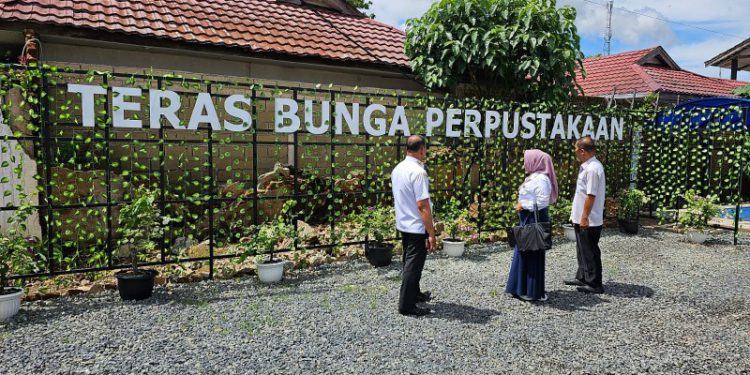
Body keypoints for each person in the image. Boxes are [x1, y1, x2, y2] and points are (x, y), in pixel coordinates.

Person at [391, 135, 437, 317]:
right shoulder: (418, 172)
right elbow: (422, 205)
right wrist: (431, 232)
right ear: (422, 150)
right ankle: (406, 305)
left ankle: (415, 294)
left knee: (410, 262)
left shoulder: (398, 169)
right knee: (413, 264)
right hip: (416, 225)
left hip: (404, 222)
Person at [505, 149, 558, 302]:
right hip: (528, 218)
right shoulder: (534, 177)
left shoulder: (541, 179)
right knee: (524, 250)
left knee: (532, 250)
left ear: (535, 161)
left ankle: (531, 291)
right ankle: (520, 288)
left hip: (533, 218)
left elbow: (542, 201)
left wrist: (523, 205)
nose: (524, 163)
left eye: (526, 159)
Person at [564, 136, 606, 294]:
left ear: (582, 151)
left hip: (589, 219)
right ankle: (582, 276)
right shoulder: (587, 166)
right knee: (582, 249)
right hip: (582, 216)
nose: (574, 152)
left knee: (590, 250)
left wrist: (584, 217)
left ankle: (595, 283)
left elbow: (591, 195)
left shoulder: (593, 168)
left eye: (575, 149)